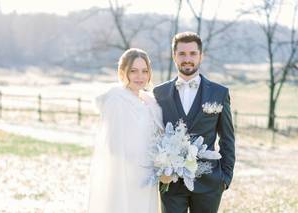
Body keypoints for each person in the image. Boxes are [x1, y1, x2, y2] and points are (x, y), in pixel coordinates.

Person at [153, 32, 235, 213]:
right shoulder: (159, 93)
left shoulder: (219, 93)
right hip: (170, 183)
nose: (187, 59)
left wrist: (225, 178)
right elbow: (152, 136)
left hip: (209, 183)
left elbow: (227, 138)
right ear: (174, 56)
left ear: (201, 56)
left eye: (192, 53)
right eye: (182, 53)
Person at [88, 48, 163, 213]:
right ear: (123, 72)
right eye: (133, 71)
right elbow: (113, 144)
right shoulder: (117, 100)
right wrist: (135, 163)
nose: (140, 76)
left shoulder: (150, 102)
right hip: (126, 174)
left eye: (144, 71)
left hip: (148, 175)